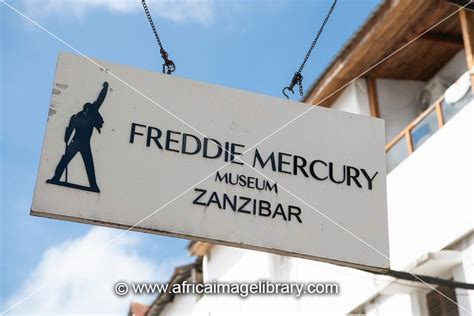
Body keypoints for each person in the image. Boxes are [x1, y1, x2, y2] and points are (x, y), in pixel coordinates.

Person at [47, 81, 109, 192]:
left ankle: (93, 185)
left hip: (85, 144)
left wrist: (105, 88)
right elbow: (70, 129)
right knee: (64, 160)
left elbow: (100, 100)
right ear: (85, 110)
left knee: (89, 165)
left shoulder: (90, 114)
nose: (92, 112)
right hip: (76, 142)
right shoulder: (76, 117)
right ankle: (56, 177)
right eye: (90, 111)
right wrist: (66, 138)